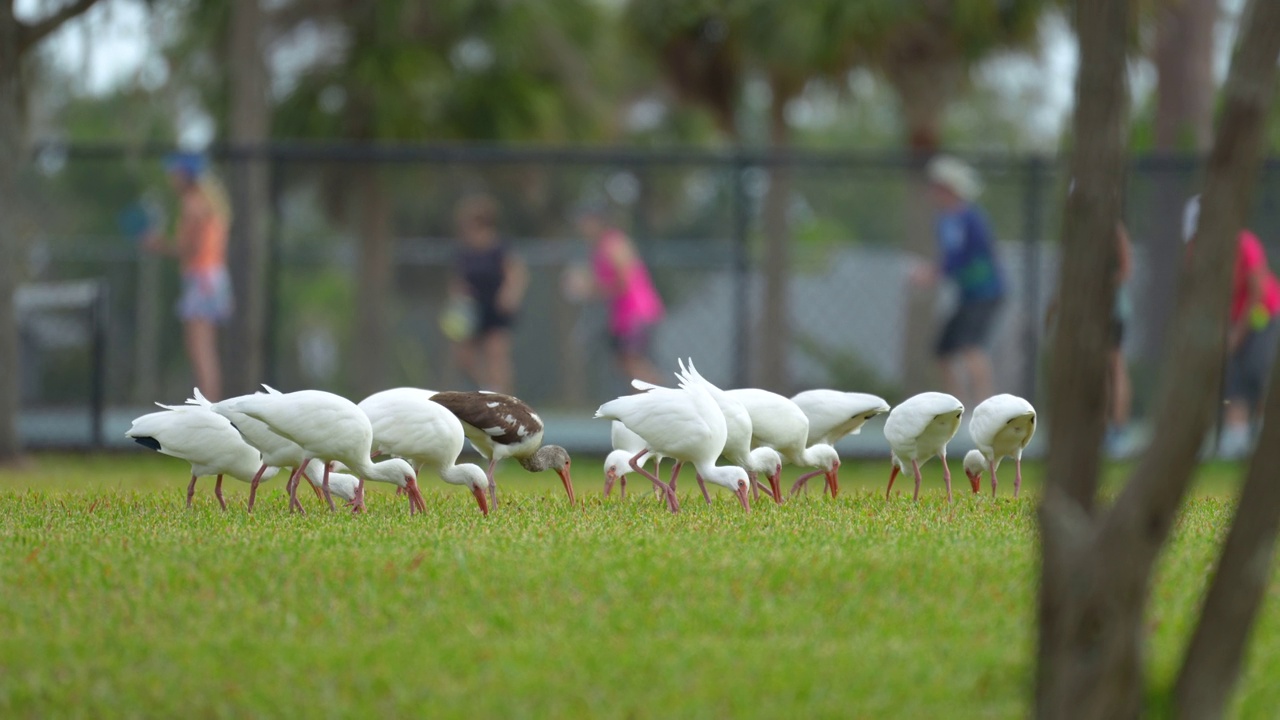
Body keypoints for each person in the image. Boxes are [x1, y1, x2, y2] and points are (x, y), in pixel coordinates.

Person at [1183, 195, 1280, 459]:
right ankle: (1236, 437)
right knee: (1232, 378)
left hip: (1264, 313)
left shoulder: (1244, 244)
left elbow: (1258, 293)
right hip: (1232, 320)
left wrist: (1237, 335)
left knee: (1256, 370)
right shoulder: (1195, 253)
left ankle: (1258, 433)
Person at [912, 155, 1006, 407]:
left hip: (985, 293)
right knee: (943, 351)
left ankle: (985, 407)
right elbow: (951, 258)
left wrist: (933, 273)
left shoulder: (971, 218)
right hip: (966, 295)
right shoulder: (943, 220)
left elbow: (967, 255)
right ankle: (957, 408)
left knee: (970, 347)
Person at [143, 152, 232, 401]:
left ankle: (207, 407)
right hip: (215, 277)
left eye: (175, 172)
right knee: (207, 348)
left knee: (199, 348)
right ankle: (209, 404)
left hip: (201, 278)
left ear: (186, 175)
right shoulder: (211, 204)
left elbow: (188, 249)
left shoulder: (192, 204)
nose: (171, 178)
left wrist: (157, 244)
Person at [565, 202, 665, 384]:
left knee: (632, 362)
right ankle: (653, 405)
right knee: (624, 362)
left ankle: (669, 401)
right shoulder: (599, 247)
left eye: (586, 221)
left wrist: (589, 289)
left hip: (635, 312)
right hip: (622, 315)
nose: (582, 226)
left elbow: (624, 282)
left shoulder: (613, 244)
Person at [448, 194, 527, 394]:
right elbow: (459, 281)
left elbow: (517, 274)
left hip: (496, 306)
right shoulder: (464, 251)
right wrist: (456, 301)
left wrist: (510, 293)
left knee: (496, 354)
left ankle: (503, 399)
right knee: (463, 358)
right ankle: (488, 388)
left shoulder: (500, 248)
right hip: (472, 309)